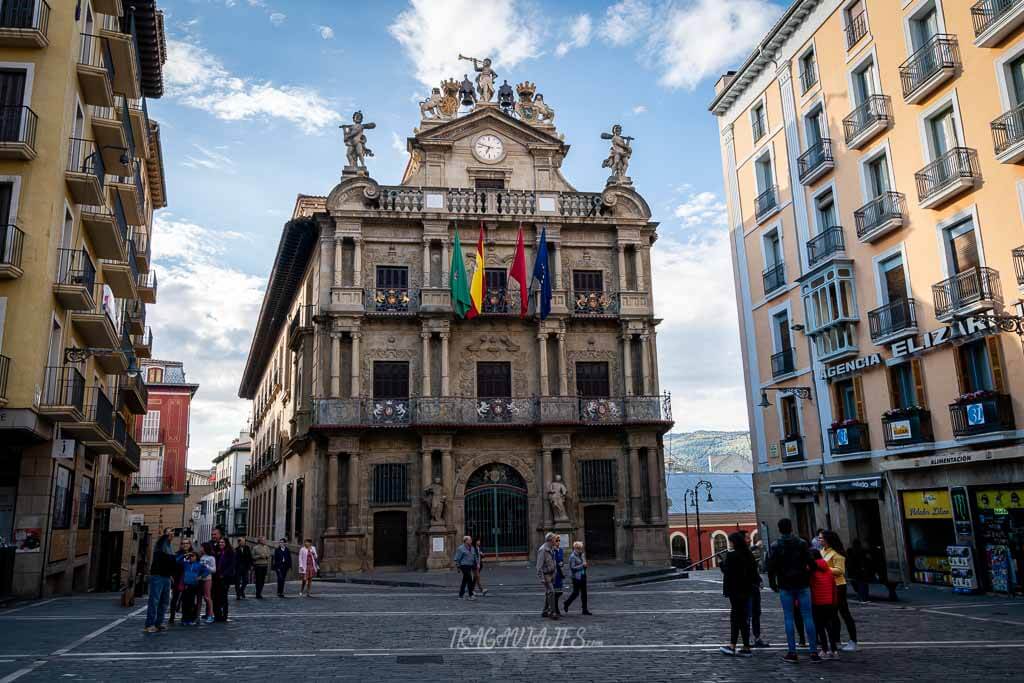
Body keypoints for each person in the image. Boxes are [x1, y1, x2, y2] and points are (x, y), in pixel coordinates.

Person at [767, 518, 821, 664]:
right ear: (791, 528)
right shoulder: (801, 543)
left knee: (789, 617)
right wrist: (807, 574)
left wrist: (773, 583)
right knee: (808, 617)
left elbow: (771, 567)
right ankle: (814, 651)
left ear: (779, 529)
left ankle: (792, 652)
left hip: (785, 584)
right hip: (802, 584)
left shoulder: (776, 545)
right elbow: (812, 564)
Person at [719, 531, 758, 657]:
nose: (729, 544)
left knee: (735, 618)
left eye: (730, 541)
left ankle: (732, 645)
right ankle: (746, 646)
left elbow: (727, 571)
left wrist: (721, 562)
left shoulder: (732, 556)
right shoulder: (748, 554)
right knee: (744, 619)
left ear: (734, 542)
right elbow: (753, 573)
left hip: (735, 591)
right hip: (746, 590)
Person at [821, 530, 858, 652]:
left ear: (828, 540)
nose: (819, 540)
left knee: (844, 613)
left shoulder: (837, 553)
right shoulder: (823, 551)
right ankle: (836, 640)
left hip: (838, 585)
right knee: (832, 615)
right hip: (828, 586)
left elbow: (840, 570)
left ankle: (853, 641)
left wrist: (824, 568)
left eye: (821, 538)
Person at [144, 528, 176, 633]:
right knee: (154, 600)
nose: (172, 534)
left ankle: (159, 622)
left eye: (172, 533)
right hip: (157, 576)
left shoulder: (170, 546)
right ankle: (149, 624)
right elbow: (163, 539)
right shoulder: (160, 544)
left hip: (166, 576)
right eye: (169, 532)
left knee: (165, 601)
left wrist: (171, 575)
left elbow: (171, 562)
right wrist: (166, 535)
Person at [810, 549, 840, 659]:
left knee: (820, 627)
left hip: (817, 602)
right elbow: (834, 587)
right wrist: (834, 601)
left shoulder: (812, 571)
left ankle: (824, 649)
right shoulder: (828, 571)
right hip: (829, 602)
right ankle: (834, 650)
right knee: (829, 626)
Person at [745, 532, 769, 648]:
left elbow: (754, 570)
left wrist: (759, 580)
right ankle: (747, 639)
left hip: (754, 587)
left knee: (755, 613)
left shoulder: (746, 552)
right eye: (747, 538)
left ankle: (756, 637)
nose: (749, 539)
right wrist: (755, 546)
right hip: (746, 588)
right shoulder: (741, 553)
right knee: (748, 614)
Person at [177, 545, 209, 626]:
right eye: (190, 556)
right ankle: (184, 619)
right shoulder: (186, 564)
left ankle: (191, 619)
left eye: (193, 556)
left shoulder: (199, 565)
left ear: (196, 557)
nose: (191, 557)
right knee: (184, 603)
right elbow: (177, 561)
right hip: (186, 586)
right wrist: (184, 555)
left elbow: (207, 571)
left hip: (194, 586)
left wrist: (201, 577)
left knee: (191, 603)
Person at [212, 532, 236, 622]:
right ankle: (217, 615)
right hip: (216, 577)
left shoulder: (230, 552)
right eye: (220, 542)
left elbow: (231, 565)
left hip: (225, 578)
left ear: (226, 544)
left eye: (223, 542)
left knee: (223, 597)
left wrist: (224, 574)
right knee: (216, 596)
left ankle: (224, 615)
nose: (221, 544)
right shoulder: (217, 552)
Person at [168, 537, 192, 625]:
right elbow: (175, 562)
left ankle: (185, 618)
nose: (185, 545)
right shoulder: (178, 554)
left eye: (187, 543)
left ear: (190, 545)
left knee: (187, 599)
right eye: (183, 543)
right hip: (178, 579)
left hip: (189, 580)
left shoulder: (193, 554)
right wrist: (183, 556)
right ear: (181, 545)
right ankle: (172, 617)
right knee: (174, 599)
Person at [563, 541, 591, 615]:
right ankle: (566, 603)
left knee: (584, 593)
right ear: (575, 548)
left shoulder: (581, 555)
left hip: (583, 575)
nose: (580, 549)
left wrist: (584, 564)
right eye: (578, 548)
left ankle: (584, 610)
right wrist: (582, 565)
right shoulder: (572, 556)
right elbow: (572, 568)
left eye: (580, 548)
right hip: (576, 577)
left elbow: (585, 564)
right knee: (576, 593)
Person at [536, 532, 558, 620]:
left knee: (548, 593)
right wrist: (541, 578)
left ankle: (545, 611)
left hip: (551, 574)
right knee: (552, 592)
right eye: (554, 539)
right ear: (550, 540)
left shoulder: (551, 548)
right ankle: (553, 612)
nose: (555, 541)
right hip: (545, 575)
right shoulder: (543, 550)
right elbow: (539, 566)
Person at [453, 536, 477, 601]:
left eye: (471, 540)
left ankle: (461, 595)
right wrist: (458, 567)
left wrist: (476, 564)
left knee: (465, 581)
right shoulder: (460, 548)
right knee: (470, 579)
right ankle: (470, 595)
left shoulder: (472, 548)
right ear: (466, 541)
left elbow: (474, 557)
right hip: (464, 566)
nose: (471, 541)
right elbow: (457, 558)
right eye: (470, 540)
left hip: (470, 566)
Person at [198, 542, 216, 623]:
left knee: (207, 597)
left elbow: (214, 570)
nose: (200, 548)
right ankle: (201, 615)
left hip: (207, 579)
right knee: (201, 598)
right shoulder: (201, 557)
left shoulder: (211, 558)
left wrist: (206, 566)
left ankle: (211, 615)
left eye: (201, 547)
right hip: (200, 579)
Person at [551, 535, 565, 618]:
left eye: (559, 540)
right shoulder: (552, 551)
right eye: (556, 540)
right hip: (554, 574)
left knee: (559, 592)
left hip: (560, 574)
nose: (558, 542)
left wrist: (562, 563)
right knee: (555, 593)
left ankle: (551, 609)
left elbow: (562, 560)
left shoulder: (561, 550)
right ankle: (555, 610)